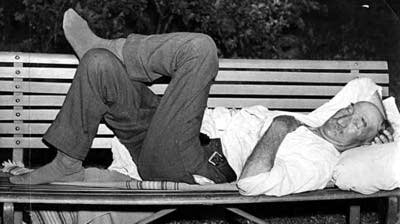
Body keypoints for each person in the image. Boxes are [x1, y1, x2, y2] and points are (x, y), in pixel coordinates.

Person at [10, 9, 394, 196]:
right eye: (349, 110)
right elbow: (364, 87)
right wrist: (382, 116)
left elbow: (254, 182)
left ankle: (115, 47)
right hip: (170, 135)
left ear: (361, 144)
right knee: (97, 65)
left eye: (359, 124)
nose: (346, 116)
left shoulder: (321, 160)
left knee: (200, 50)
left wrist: (279, 128)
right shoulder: (316, 119)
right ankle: (66, 159)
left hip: (191, 162)